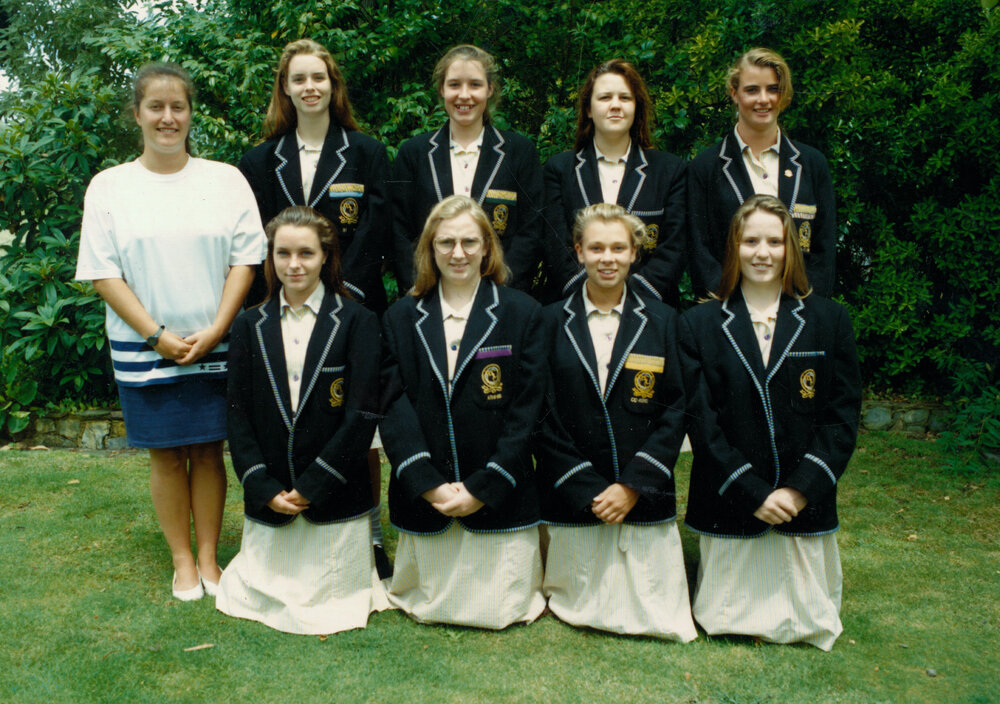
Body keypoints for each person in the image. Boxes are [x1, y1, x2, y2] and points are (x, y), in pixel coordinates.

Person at [76, 62, 265, 600]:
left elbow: (245, 261)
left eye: (177, 106)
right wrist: (157, 334)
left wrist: (218, 328)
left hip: (216, 341)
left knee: (208, 450)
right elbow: (103, 273)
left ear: (190, 113)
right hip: (144, 347)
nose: (167, 117)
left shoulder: (224, 179)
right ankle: (181, 561)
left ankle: (209, 557)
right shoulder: (110, 186)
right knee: (165, 454)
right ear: (137, 114)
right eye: (155, 107)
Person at [678, 194, 861, 650]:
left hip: (803, 499)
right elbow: (702, 422)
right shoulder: (698, 324)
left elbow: (841, 417)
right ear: (734, 248)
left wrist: (799, 490)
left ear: (791, 249)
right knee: (729, 615)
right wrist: (754, 492)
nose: (763, 252)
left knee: (804, 616)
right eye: (751, 240)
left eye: (775, 242)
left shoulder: (829, 319)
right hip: (731, 495)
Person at [238, 38, 392, 574]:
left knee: (358, 422)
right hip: (284, 304)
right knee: (295, 409)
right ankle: (289, 503)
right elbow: (256, 241)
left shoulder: (366, 152)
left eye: (319, 78)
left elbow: (374, 235)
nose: (310, 87)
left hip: (352, 306)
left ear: (333, 85)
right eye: (299, 78)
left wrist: (344, 298)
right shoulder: (259, 160)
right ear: (285, 87)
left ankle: (369, 531)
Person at [217, 206, 389, 634]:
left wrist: (314, 485)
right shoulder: (247, 324)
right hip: (272, 491)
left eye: (306, 254)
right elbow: (237, 415)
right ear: (270, 258)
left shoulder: (357, 321)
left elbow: (362, 415)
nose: (294, 265)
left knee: (332, 601)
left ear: (326, 257)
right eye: (283, 253)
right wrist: (262, 486)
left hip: (334, 492)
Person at [380, 195, 546, 629]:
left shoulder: (523, 312)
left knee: (498, 606)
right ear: (429, 249)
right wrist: (429, 485)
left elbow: (528, 410)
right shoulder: (400, 317)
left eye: (470, 242)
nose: (458, 253)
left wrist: (483, 487)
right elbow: (393, 407)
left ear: (488, 248)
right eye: (446, 242)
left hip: (499, 493)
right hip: (428, 495)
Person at [534, 203, 696, 641]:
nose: (608, 258)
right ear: (578, 252)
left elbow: (677, 408)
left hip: (641, 492)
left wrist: (631, 486)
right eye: (597, 247)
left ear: (634, 254)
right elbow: (540, 414)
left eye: (618, 248)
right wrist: (588, 489)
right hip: (573, 493)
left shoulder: (664, 321)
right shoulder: (549, 322)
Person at [390, 44, 544, 295]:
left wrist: (501, 292)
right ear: (441, 89)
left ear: (490, 89)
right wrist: (421, 289)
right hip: (429, 296)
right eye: (454, 85)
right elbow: (399, 232)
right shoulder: (414, 153)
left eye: (474, 84)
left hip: (501, 297)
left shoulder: (519, 152)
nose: (464, 95)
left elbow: (531, 231)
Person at [687, 47, 836, 299]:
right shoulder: (705, 168)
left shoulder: (812, 164)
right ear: (734, 93)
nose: (763, 99)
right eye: (752, 90)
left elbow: (824, 250)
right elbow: (699, 252)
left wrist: (808, 309)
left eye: (773, 89)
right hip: (728, 316)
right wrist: (728, 308)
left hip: (800, 313)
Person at [543, 59, 687, 307]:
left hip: (649, 310)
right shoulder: (559, 170)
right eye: (605, 97)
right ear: (588, 108)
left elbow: (674, 248)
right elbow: (555, 247)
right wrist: (592, 297)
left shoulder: (670, 171)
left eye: (625, 98)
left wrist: (630, 300)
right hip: (574, 308)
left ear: (636, 107)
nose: (615, 106)